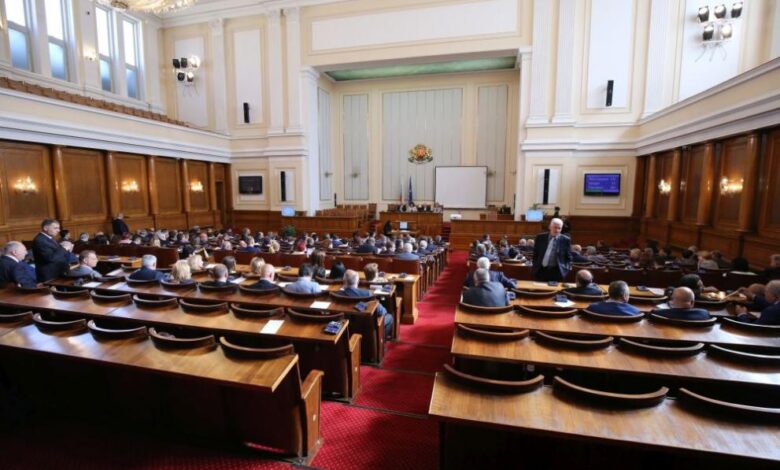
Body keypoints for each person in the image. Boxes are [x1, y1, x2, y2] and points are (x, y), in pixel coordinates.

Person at [340, 270, 392, 339]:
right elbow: (381, 311)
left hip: (346, 326)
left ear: (344, 281)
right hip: (367, 327)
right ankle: (380, 341)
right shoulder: (367, 294)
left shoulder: (337, 295)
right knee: (389, 317)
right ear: (358, 281)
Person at [532, 218, 572, 282]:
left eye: (559, 228)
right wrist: (535, 265)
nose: (557, 230)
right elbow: (535, 253)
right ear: (550, 227)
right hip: (540, 270)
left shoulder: (565, 240)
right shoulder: (540, 237)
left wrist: (565, 269)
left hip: (556, 272)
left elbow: (568, 257)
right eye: (555, 227)